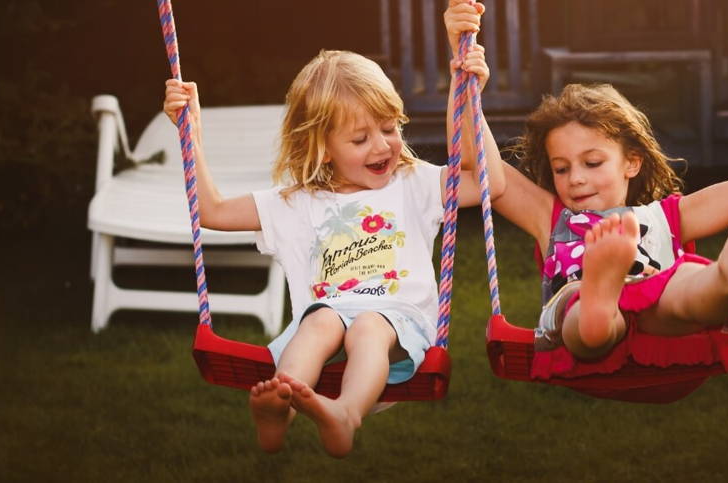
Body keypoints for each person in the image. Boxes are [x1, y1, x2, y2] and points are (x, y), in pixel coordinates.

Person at [162, 44, 502, 458]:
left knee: (368, 326)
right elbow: (211, 210)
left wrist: (469, 98)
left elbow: (489, 182)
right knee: (322, 319)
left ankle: (346, 413)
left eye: (390, 128)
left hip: (398, 323)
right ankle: (279, 410)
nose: (382, 146)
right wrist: (189, 133)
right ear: (323, 147)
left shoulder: (414, 184)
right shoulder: (297, 203)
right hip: (327, 322)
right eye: (360, 138)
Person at [444, 0, 728, 374]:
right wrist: (464, 82)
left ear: (632, 163)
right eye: (561, 169)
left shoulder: (667, 216)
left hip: (656, 307)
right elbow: (482, 167)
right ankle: (599, 293)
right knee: (581, 316)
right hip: (581, 307)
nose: (575, 178)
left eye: (592, 163)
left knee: (690, 287)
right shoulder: (552, 219)